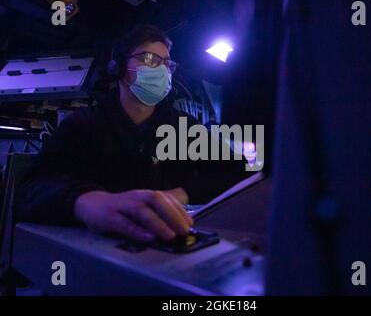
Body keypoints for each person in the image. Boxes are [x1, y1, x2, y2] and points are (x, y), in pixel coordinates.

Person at [15, 24, 249, 243]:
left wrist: (181, 193)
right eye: (149, 59)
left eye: (167, 63)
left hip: (165, 248)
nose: (162, 70)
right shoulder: (83, 124)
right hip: (98, 253)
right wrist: (86, 202)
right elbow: (31, 189)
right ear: (119, 68)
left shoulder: (184, 128)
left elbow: (238, 171)